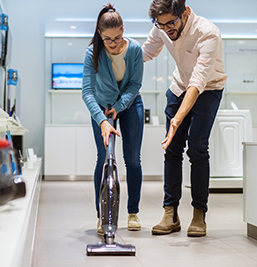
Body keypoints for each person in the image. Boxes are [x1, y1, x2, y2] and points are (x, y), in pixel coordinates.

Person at [142, 0, 228, 237]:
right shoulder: (161, 27)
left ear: (185, 12)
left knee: (198, 148)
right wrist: (116, 57)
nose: (167, 29)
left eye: (171, 23)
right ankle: (170, 213)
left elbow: (198, 81)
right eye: (161, 25)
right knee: (171, 149)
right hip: (179, 88)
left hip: (208, 89)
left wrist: (177, 120)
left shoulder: (208, 33)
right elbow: (147, 52)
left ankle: (199, 213)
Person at [82, 3, 144, 235]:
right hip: (101, 107)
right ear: (100, 34)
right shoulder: (93, 53)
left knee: (133, 160)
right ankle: (101, 216)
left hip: (130, 104)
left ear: (123, 30)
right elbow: (87, 92)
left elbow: (135, 84)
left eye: (118, 37)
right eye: (108, 39)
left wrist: (119, 108)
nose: (114, 44)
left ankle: (133, 212)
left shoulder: (135, 49)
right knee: (104, 158)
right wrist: (103, 120)